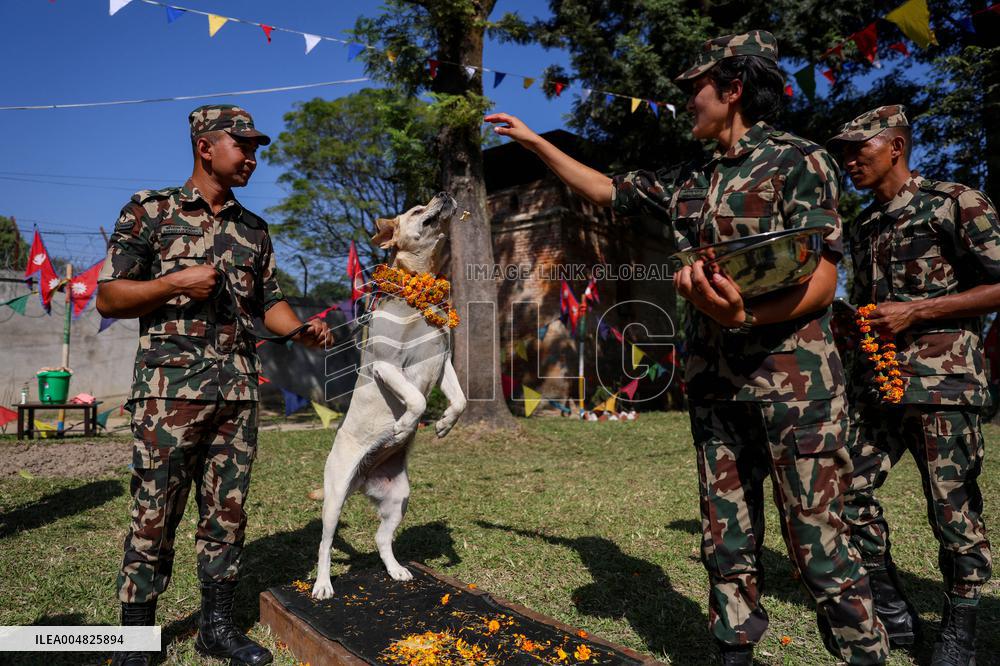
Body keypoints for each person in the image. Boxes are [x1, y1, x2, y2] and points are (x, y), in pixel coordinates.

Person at [485, 30, 889, 666]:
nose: (686, 102)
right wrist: (536, 141)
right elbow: (608, 192)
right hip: (715, 383)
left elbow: (824, 279)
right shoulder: (690, 178)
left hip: (796, 385)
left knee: (818, 538)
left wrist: (743, 312)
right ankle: (732, 651)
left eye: (694, 89)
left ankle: (864, 654)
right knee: (726, 536)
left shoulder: (798, 161)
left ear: (732, 90)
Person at [96, 104, 332, 666]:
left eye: (256, 148)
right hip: (168, 392)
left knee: (226, 513)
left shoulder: (255, 229)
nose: (252, 157)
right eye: (242, 145)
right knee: (154, 513)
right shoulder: (150, 211)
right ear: (205, 146)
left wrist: (297, 331)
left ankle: (216, 627)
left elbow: (267, 302)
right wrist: (174, 280)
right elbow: (109, 296)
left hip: (238, 390)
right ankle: (135, 638)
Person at [828, 105, 998, 665]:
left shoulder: (955, 202)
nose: (849, 160)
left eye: (860, 149)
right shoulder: (865, 225)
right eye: (844, 151)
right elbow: (881, 307)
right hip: (878, 383)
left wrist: (917, 311)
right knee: (847, 489)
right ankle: (891, 603)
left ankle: (962, 627)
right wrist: (851, 321)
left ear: (896, 147)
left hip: (944, 382)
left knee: (951, 510)